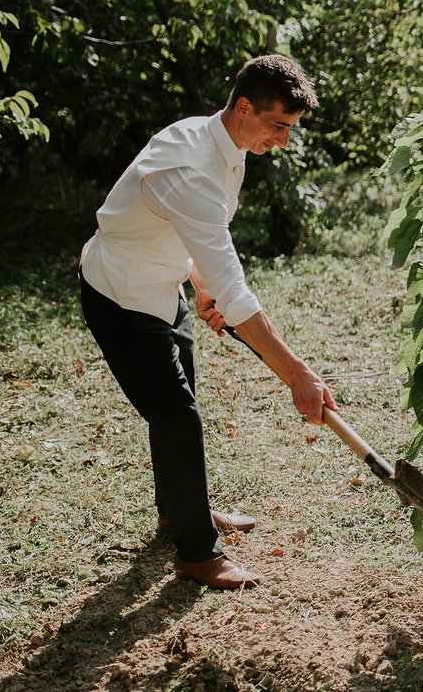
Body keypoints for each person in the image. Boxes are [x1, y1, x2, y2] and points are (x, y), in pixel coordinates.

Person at [79, 54, 337, 588]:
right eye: (278, 126)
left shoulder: (224, 143)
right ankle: (197, 553)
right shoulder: (190, 166)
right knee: (176, 417)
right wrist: (298, 375)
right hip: (122, 297)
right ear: (243, 108)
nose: (283, 141)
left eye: (289, 128)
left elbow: (194, 234)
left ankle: (181, 511)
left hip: (165, 286)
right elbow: (234, 292)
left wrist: (199, 284)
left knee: (178, 409)